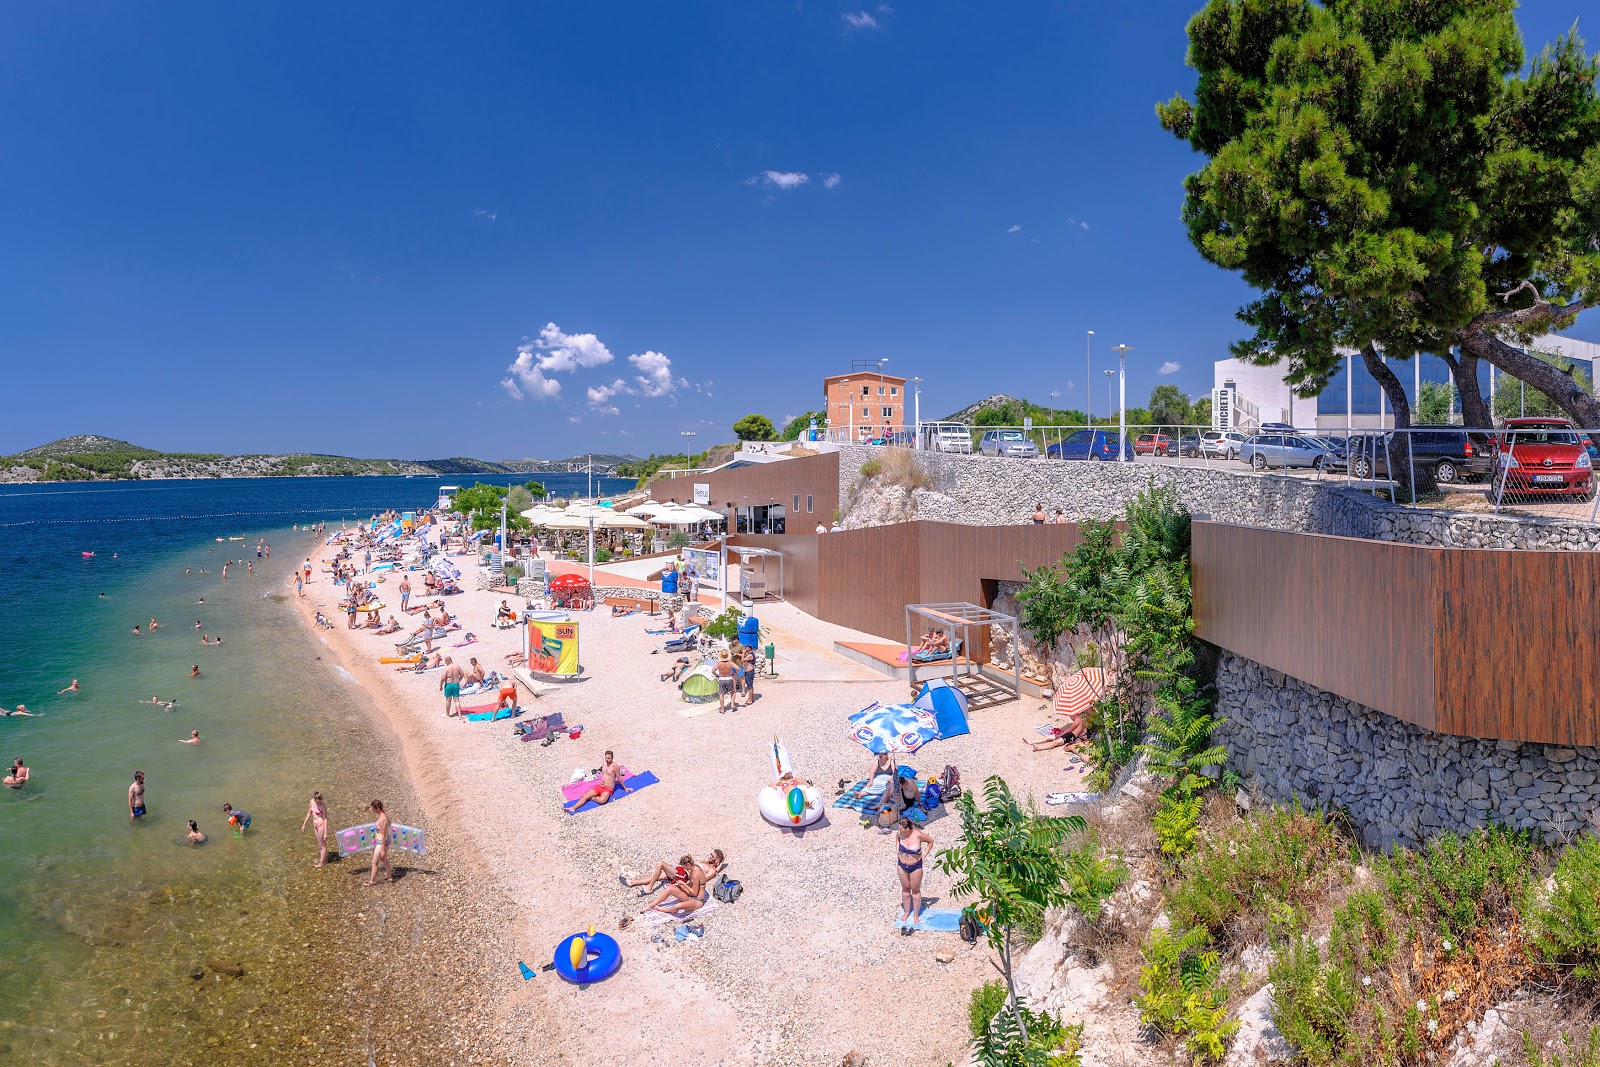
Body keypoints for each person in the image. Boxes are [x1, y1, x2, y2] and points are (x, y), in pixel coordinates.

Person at [895, 817, 934, 933]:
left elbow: (931, 841)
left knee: (915, 890)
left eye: (901, 829)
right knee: (905, 889)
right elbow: (896, 838)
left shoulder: (918, 835)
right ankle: (907, 911)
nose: (899, 830)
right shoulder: (900, 833)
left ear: (907, 829)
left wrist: (924, 855)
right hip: (902, 865)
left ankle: (916, 914)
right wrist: (897, 850)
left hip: (916, 866)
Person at [564, 751, 629, 813]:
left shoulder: (615, 766)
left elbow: (619, 777)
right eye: (606, 758)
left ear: (612, 758)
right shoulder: (604, 764)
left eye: (609, 758)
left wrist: (625, 788)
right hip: (600, 786)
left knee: (602, 801)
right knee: (585, 796)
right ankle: (573, 808)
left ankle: (592, 798)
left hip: (608, 788)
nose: (607, 760)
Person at [365, 799, 392, 885]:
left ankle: (372, 881)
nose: (373, 810)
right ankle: (390, 878)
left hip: (381, 843)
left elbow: (383, 835)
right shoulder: (384, 815)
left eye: (373, 809)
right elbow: (390, 824)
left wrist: (383, 849)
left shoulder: (383, 819)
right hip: (384, 841)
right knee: (384, 860)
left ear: (377, 808)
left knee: (374, 862)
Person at [300, 790, 330, 867]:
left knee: (323, 845)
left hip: (321, 826)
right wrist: (304, 825)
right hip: (315, 825)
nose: (319, 803)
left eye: (320, 801)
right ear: (315, 799)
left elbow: (325, 819)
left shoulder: (323, 806)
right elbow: (309, 813)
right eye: (318, 802)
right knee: (320, 844)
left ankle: (321, 862)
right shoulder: (311, 802)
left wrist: (326, 832)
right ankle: (322, 859)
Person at [713, 649, 738, 714]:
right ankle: (732, 704)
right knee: (733, 691)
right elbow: (737, 668)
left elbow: (713, 671)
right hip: (729, 678)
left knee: (721, 694)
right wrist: (734, 673)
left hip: (722, 679)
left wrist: (716, 675)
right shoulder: (730, 663)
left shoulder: (719, 664)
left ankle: (722, 709)